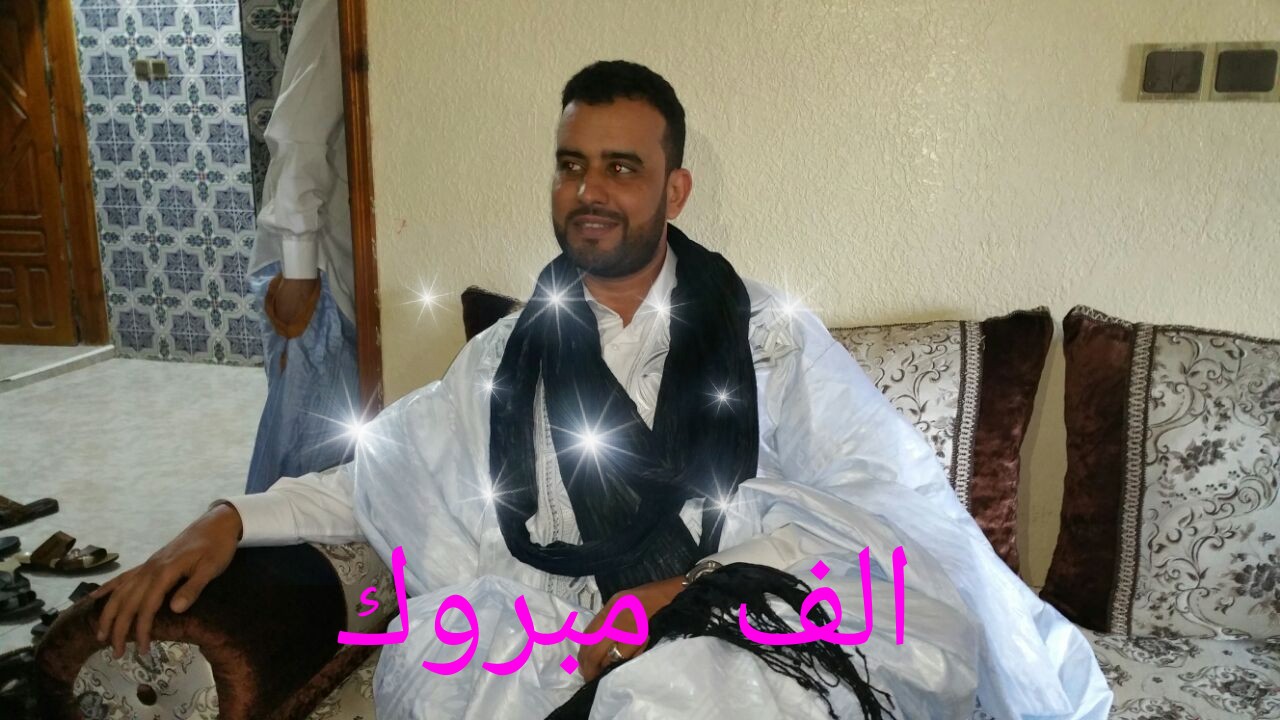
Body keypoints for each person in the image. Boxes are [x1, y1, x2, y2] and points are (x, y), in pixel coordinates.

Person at [93, 61, 1112, 719]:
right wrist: (231, 517)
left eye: (621, 167)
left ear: (673, 189)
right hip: (563, 631)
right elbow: (387, 467)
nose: (589, 190)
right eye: (570, 165)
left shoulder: (767, 338)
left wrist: (677, 597)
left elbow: (876, 503)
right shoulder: (506, 354)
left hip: (743, 621)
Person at [244, 0, 359, 494]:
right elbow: (299, 133)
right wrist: (299, 272)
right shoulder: (338, 8)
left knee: (334, 443)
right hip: (315, 266)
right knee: (306, 452)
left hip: (335, 260)